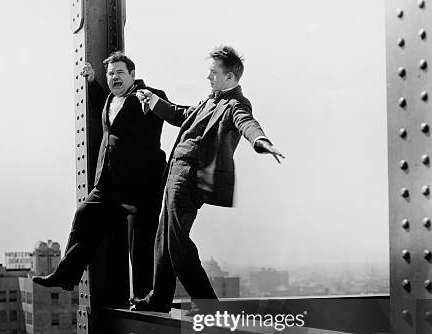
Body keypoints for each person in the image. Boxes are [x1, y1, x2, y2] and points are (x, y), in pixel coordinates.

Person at [131, 46, 284, 312]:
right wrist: (153, 102)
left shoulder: (235, 104)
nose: (208, 77)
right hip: (175, 172)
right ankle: (159, 298)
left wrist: (261, 141)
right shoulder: (209, 101)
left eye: (213, 73)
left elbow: (247, 123)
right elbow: (181, 114)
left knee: (176, 241)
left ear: (230, 77)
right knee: (164, 239)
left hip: (190, 176)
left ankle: (208, 305)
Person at [33, 52, 168, 298]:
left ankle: (143, 297)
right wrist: (94, 80)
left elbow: (164, 111)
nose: (114, 77)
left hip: (142, 186)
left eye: (119, 72)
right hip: (108, 183)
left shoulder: (146, 97)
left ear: (133, 75)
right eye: (110, 73)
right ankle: (66, 273)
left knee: (141, 243)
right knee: (84, 215)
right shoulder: (109, 100)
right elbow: (101, 106)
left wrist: (151, 99)